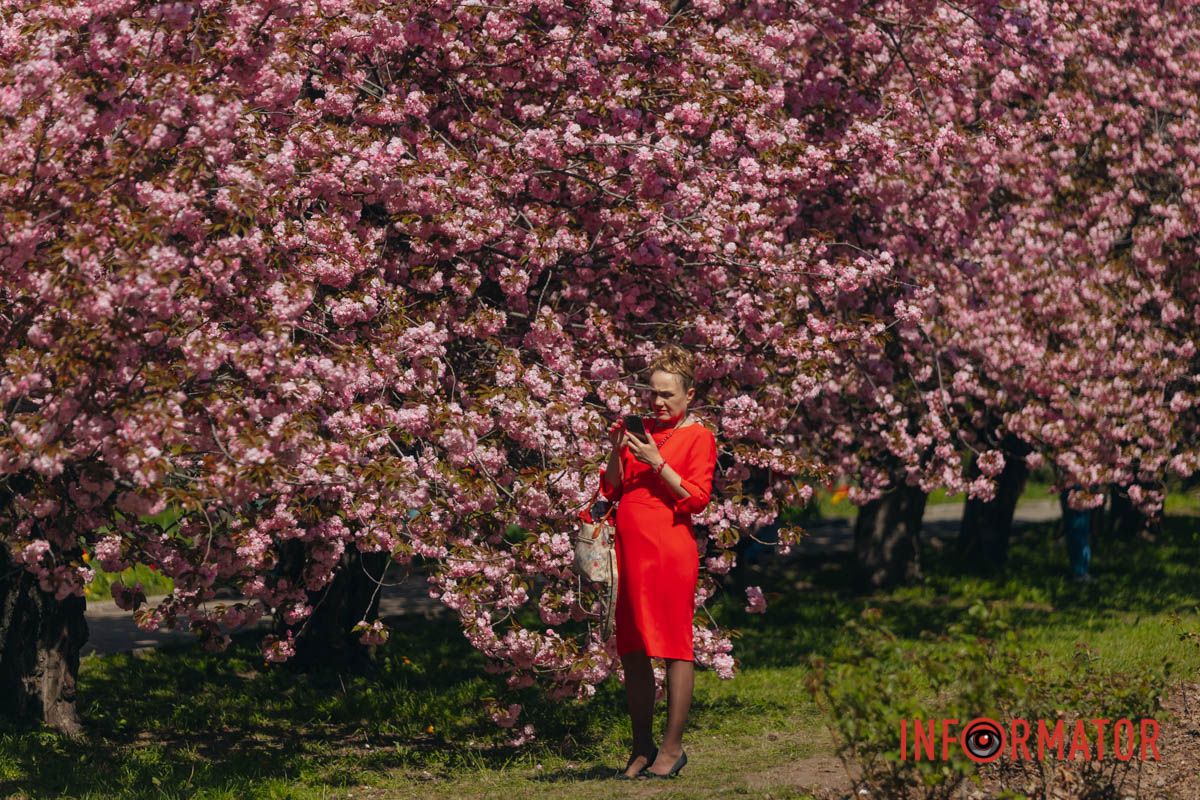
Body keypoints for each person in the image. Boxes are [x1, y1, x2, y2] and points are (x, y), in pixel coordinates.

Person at [599, 344, 718, 779]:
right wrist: (617, 450)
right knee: (632, 649)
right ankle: (641, 746)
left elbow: (697, 500)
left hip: (670, 550)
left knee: (673, 647)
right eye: (653, 393)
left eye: (668, 394)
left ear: (689, 395)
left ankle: (672, 747)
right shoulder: (639, 431)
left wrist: (658, 462)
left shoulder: (699, 436)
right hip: (630, 550)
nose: (658, 402)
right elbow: (611, 489)